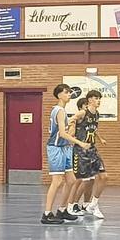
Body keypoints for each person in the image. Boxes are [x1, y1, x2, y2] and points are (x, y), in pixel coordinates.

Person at [42, 84, 79, 225]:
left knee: (71, 180)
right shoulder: (59, 110)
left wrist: (72, 125)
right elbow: (62, 134)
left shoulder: (62, 111)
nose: (69, 94)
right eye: (66, 92)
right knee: (57, 181)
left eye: (70, 92)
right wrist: (80, 143)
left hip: (64, 147)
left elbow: (64, 132)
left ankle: (62, 209)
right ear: (59, 95)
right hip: (56, 148)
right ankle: (47, 214)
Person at [72, 90, 108, 219]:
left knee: (103, 177)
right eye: (96, 98)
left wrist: (100, 138)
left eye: (99, 98)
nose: (98, 101)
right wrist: (70, 131)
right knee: (83, 180)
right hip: (81, 151)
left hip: (92, 149)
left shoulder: (96, 114)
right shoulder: (83, 112)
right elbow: (71, 119)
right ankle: (73, 205)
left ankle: (92, 204)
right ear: (90, 100)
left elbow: (94, 129)